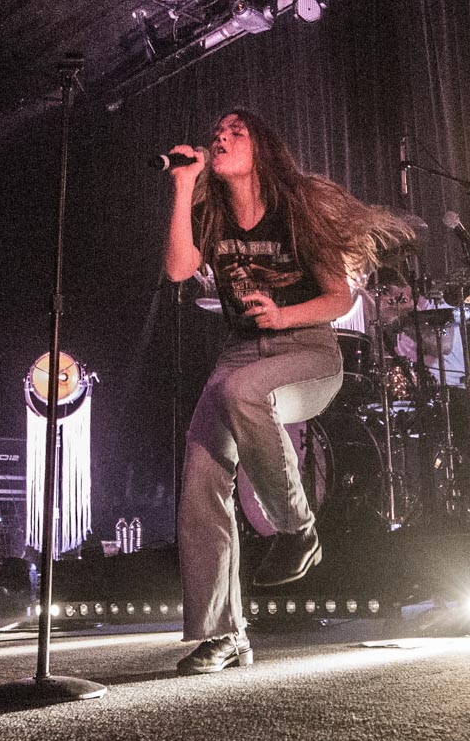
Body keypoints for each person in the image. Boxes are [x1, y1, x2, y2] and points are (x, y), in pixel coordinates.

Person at [163, 110, 411, 674]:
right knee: (201, 478)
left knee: (241, 391)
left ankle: (297, 529)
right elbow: (178, 269)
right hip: (240, 355)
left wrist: (281, 316)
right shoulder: (211, 212)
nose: (221, 137)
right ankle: (224, 635)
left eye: (236, 131)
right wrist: (182, 185)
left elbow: (340, 298)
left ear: (263, 148)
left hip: (308, 352)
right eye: (217, 131)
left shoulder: (297, 208)